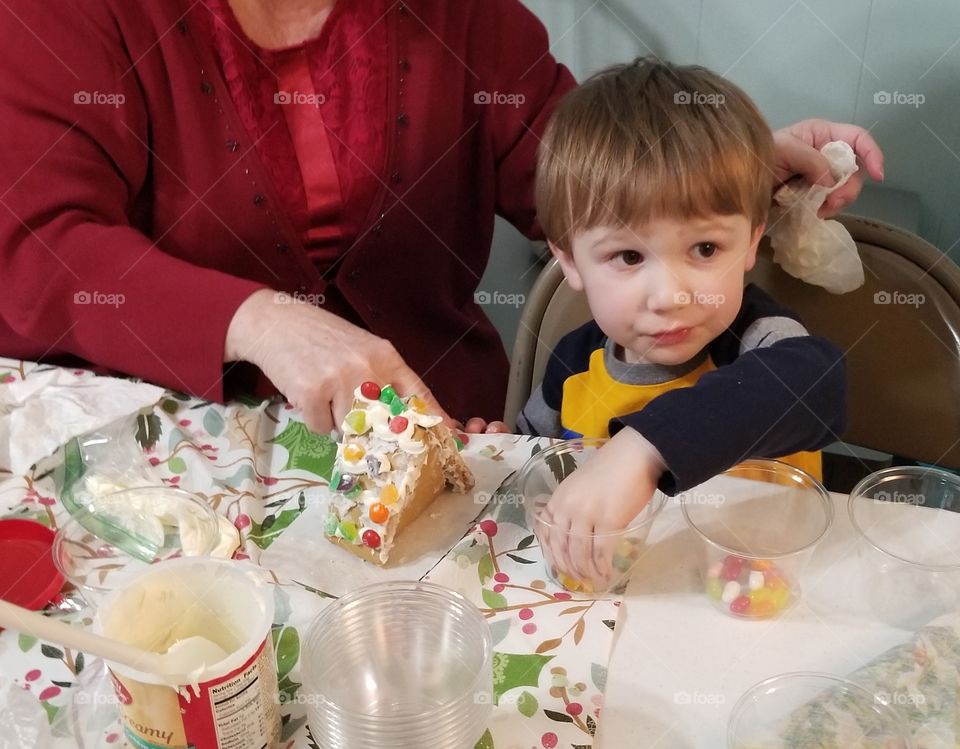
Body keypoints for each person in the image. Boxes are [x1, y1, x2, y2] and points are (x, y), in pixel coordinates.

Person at [0, 0, 882, 437]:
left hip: (444, 435)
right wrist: (257, 320)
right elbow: (40, 247)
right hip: (171, 450)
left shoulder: (462, 14)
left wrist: (718, 165)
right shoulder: (70, 17)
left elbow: (578, 181)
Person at [513, 58, 847, 584]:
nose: (671, 295)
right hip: (627, 601)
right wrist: (494, 453)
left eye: (706, 248)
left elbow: (820, 386)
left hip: (754, 600)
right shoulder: (572, 367)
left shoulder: (764, 344)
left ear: (751, 242)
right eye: (627, 257)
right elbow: (529, 461)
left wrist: (643, 449)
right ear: (571, 262)